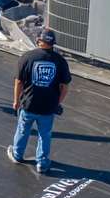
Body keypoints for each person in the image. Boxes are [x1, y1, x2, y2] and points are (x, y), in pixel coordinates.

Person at [7, 29, 71, 175]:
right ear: (52, 43)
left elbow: (18, 82)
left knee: (23, 130)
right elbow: (65, 86)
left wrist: (16, 101)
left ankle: (17, 155)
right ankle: (42, 163)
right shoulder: (60, 61)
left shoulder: (27, 57)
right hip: (48, 108)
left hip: (28, 104)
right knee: (45, 135)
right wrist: (57, 103)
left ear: (38, 41)